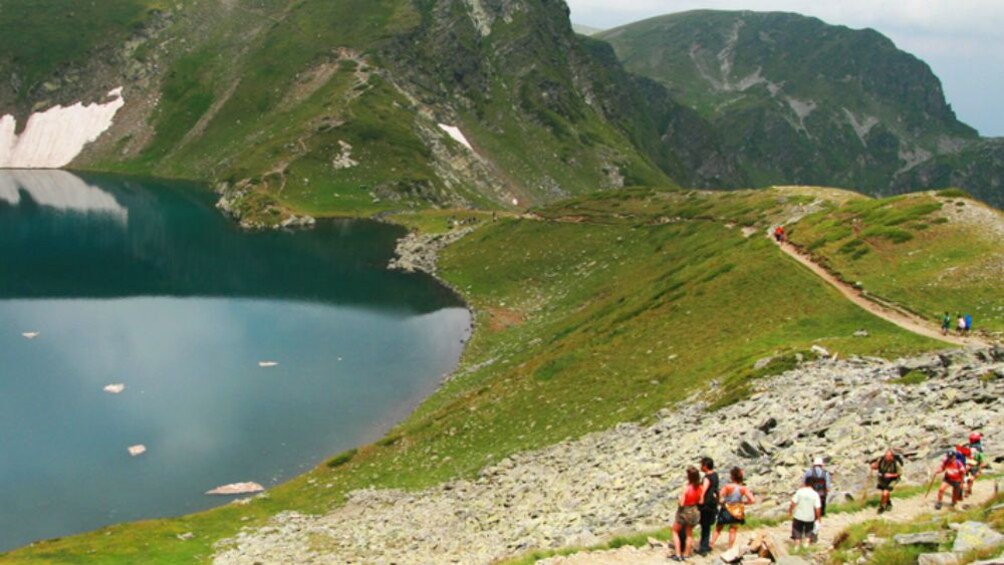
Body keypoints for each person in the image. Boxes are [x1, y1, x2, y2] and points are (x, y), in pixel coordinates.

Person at [711, 467, 756, 550]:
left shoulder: (727, 486)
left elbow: (719, 496)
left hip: (726, 509)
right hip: (737, 511)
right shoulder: (743, 488)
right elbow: (753, 500)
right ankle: (730, 548)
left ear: (732, 477)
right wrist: (744, 503)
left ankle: (711, 544)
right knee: (733, 530)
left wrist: (720, 502)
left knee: (718, 528)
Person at [671, 467, 704, 561]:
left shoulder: (686, 488)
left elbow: (681, 503)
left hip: (685, 511)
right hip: (695, 510)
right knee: (689, 533)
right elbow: (701, 501)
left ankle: (678, 554)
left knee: (675, 530)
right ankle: (686, 553)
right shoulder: (700, 487)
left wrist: (679, 498)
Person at [696, 457, 720, 556]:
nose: (700, 467)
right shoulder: (715, 475)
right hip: (712, 503)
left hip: (706, 503)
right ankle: (705, 545)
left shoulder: (707, 478)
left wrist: (701, 499)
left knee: (704, 525)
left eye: (702, 465)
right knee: (707, 526)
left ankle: (703, 548)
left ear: (705, 466)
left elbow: (704, 489)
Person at [790, 477, 822, 548]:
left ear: (805, 483)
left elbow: (793, 502)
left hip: (798, 515)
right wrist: (819, 518)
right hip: (810, 517)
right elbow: (818, 508)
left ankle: (797, 545)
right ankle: (806, 544)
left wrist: (790, 511)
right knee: (809, 530)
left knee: (797, 529)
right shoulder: (815, 494)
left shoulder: (800, 492)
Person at [872, 449, 902, 514]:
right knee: (884, 492)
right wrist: (873, 466)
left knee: (885, 492)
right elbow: (876, 467)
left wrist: (890, 475)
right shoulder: (881, 460)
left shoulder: (896, 463)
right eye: (886, 456)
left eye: (889, 456)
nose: (887, 458)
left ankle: (882, 506)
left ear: (892, 456)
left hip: (893, 480)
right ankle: (888, 503)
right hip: (883, 478)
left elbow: (899, 474)